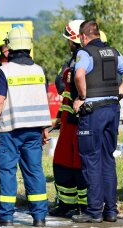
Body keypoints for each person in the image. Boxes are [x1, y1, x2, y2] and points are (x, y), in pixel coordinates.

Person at [72, 20, 123, 223]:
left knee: (91, 159)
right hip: (112, 110)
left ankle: (94, 212)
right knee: (107, 159)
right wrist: (116, 93)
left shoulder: (84, 53)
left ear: (83, 37)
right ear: (98, 34)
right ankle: (110, 210)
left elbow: (79, 74)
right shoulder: (112, 52)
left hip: (93, 113)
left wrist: (82, 97)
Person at [0, 26, 52, 227]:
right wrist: (44, 129)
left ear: (10, 47)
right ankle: (39, 216)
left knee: (7, 171)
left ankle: (5, 216)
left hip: (9, 130)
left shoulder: (5, 71)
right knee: (34, 171)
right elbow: (42, 99)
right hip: (34, 130)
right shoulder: (39, 70)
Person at [50, 20, 88, 218]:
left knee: (77, 165)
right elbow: (63, 89)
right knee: (64, 164)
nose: (68, 44)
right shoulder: (74, 61)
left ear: (75, 40)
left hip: (80, 122)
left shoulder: (81, 62)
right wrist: (58, 117)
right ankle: (68, 204)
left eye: (69, 41)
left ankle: (82, 206)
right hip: (68, 122)